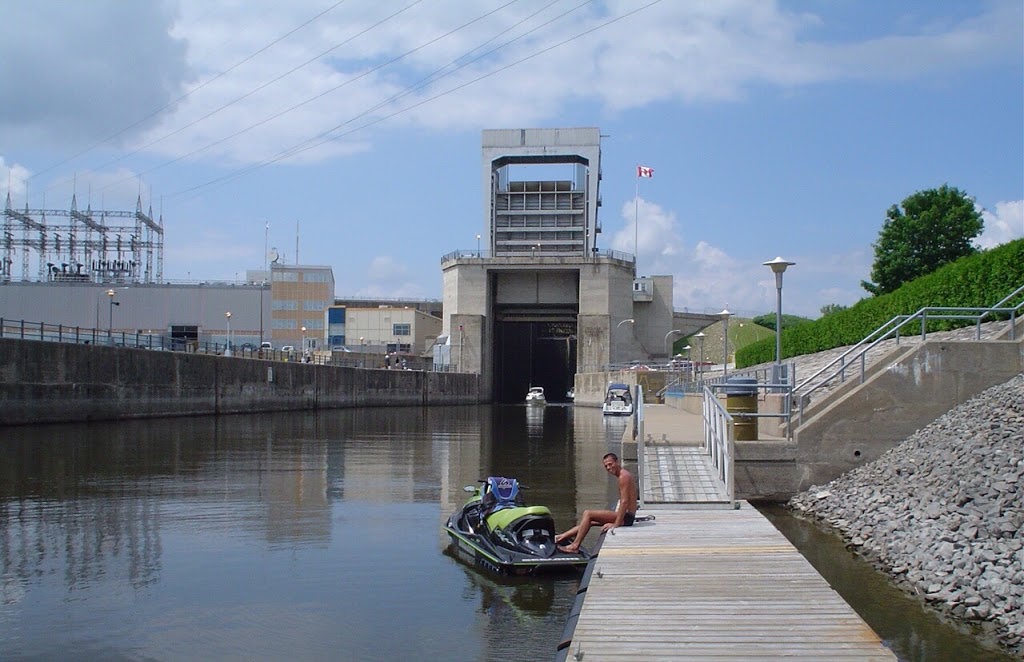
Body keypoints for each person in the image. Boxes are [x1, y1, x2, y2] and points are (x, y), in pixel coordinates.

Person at [556, 452, 638, 553]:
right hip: (627, 516)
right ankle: (561, 537)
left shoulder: (623, 477)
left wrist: (616, 524)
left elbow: (624, 502)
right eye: (606, 466)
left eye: (610, 464)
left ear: (617, 462)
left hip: (627, 518)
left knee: (588, 514)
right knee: (589, 521)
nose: (608, 467)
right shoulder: (623, 475)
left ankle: (574, 546)